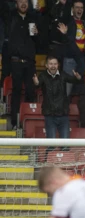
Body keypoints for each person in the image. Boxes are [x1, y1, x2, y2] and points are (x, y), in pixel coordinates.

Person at [6, 0, 39, 129]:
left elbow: (38, 41)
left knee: (31, 92)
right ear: (16, 4)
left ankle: (29, 123)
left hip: (30, 63)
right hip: (16, 62)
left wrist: (36, 34)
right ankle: (14, 122)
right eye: (20, 1)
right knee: (16, 92)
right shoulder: (11, 17)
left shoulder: (32, 18)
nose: (23, 4)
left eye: (26, 1)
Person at [33, 56, 83, 140]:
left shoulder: (62, 74)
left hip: (63, 114)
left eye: (55, 64)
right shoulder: (43, 75)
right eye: (51, 64)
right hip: (49, 115)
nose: (53, 66)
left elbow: (73, 80)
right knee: (51, 143)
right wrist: (36, 83)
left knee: (65, 144)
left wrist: (78, 78)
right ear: (46, 65)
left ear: (58, 65)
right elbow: (37, 84)